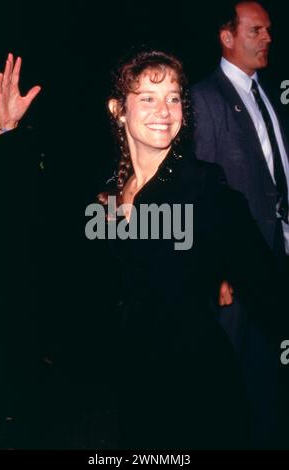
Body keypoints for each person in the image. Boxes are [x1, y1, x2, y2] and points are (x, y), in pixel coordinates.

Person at [95, 48, 288, 449]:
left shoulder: (203, 187)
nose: (164, 110)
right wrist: (6, 133)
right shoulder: (109, 190)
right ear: (119, 110)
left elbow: (266, 281)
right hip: (133, 380)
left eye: (174, 97)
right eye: (147, 97)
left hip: (194, 383)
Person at [190, 0, 289, 448]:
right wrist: (218, 265)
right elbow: (203, 188)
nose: (267, 38)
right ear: (227, 37)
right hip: (237, 260)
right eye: (256, 31)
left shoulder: (269, 93)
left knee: (269, 368)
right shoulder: (205, 98)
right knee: (231, 365)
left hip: (277, 248)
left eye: (268, 30)